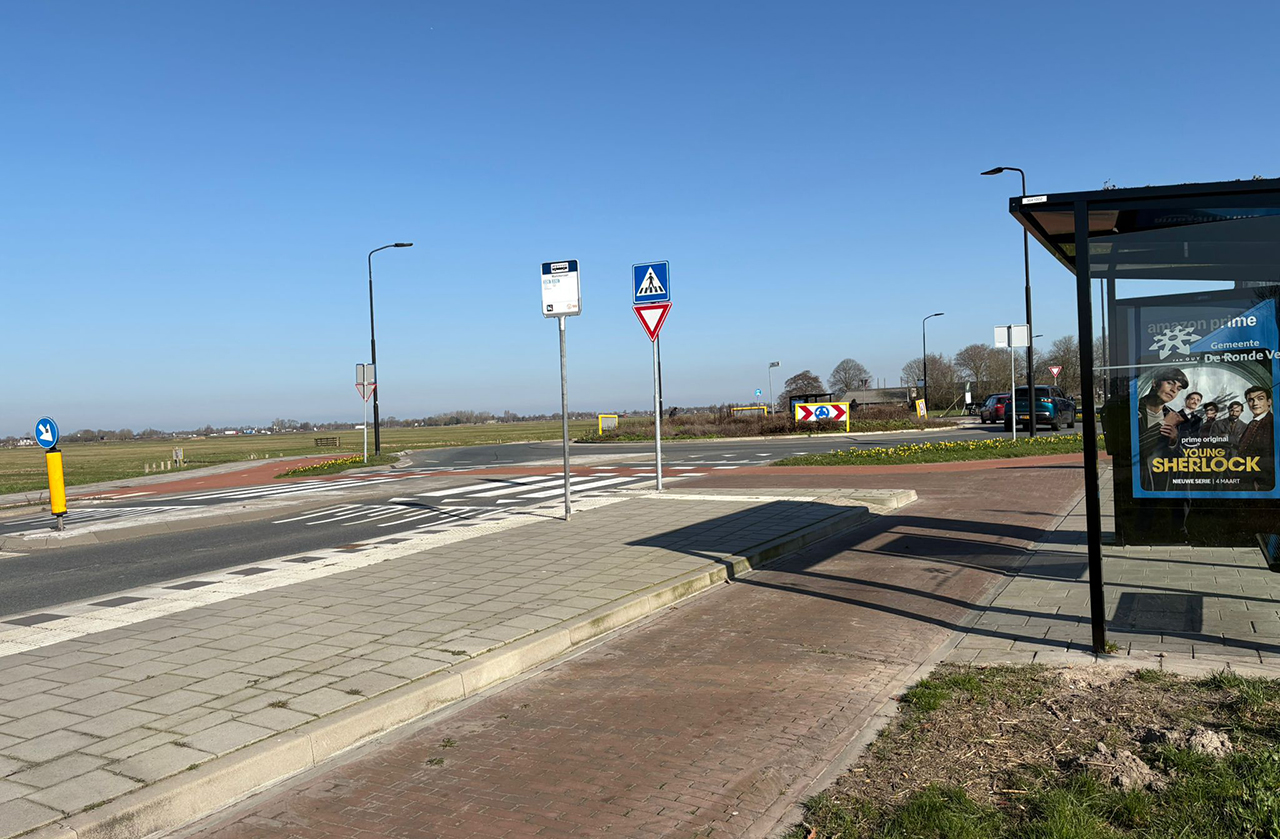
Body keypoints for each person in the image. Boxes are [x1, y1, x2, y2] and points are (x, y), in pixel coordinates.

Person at [1136, 367, 1188, 491]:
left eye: (1179, 388)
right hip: (1139, 484)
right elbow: (1131, 450)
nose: (1174, 390)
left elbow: (1183, 458)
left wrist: (1173, 441)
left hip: (1164, 486)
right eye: (1170, 383)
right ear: (1155, 383)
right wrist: (1162, 424)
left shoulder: (1175, 417)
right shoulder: (1132, 410)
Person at [1238, 385, 1275, 491]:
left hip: (1262, 485)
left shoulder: (1272, 423)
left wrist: (1261, 483)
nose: (1255, 403)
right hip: (1247, 481)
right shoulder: (1252, 423)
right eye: (1251, 400)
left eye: (1260, 398)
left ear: (1269, 402)